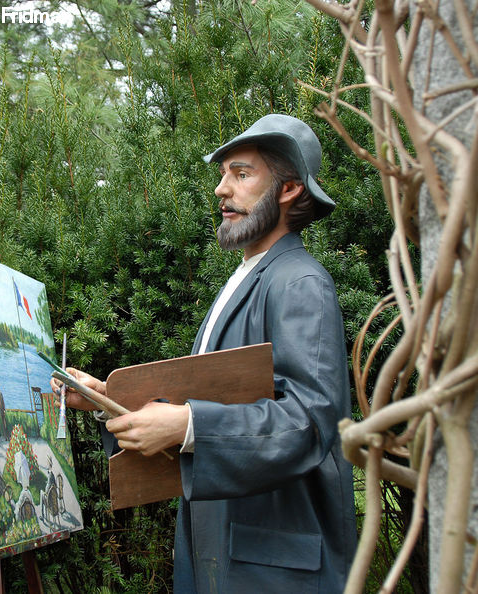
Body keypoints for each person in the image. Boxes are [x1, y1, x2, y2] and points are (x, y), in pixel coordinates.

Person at [52, 114, 356, 592]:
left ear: (290, 189)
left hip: (272, 571)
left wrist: (187, 424)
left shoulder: (299, 282)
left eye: (240, 173)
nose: (221, 189)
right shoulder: (246, 280)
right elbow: (220, 402)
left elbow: (310, 421)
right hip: (220, 552)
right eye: (222, 175)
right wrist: (111, 400)